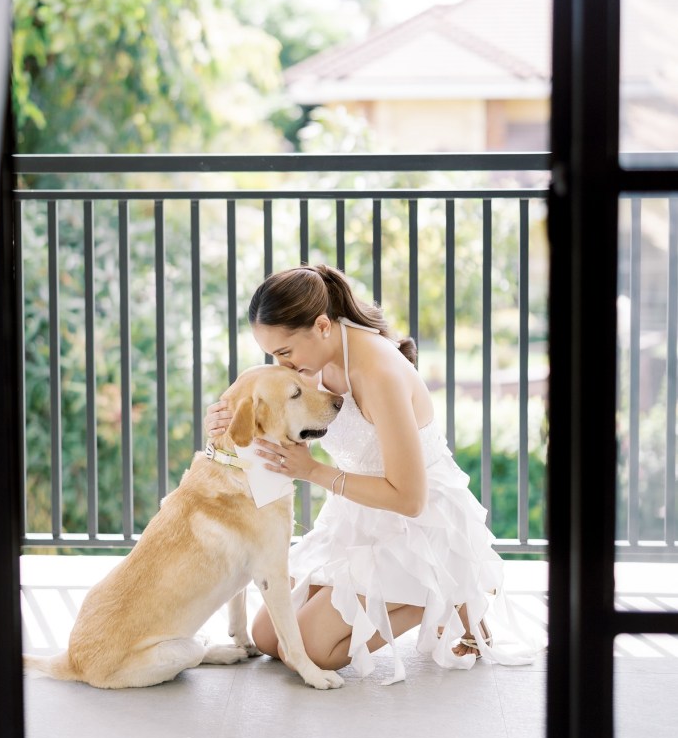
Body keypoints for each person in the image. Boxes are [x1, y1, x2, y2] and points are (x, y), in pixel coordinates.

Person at [205, 264, 542, 683]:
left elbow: (410, 499)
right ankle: (430, 591)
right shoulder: (313, 363)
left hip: (417, 526)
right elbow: (273, 419)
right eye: (273, 355)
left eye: (285, 352)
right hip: (358, 514)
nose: (281, 364)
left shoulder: (378, 372)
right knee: (269, 636)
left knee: (311, 650)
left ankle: (447, 588)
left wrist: (314, 471)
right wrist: (225, 421)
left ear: (322, 326)